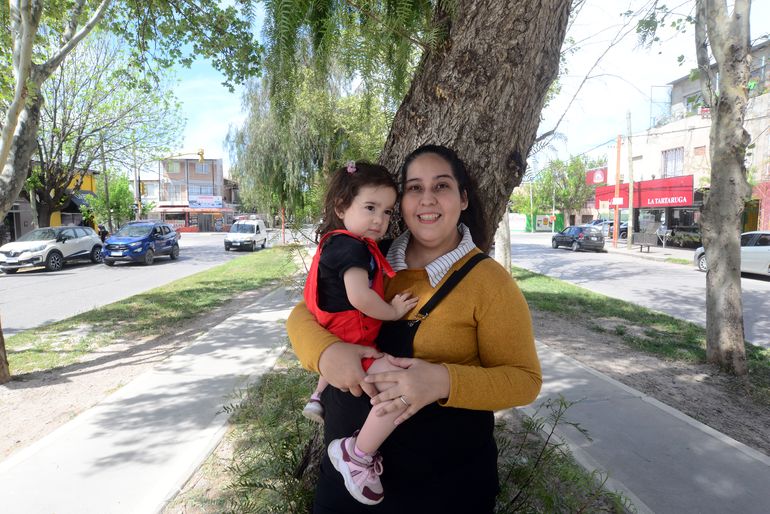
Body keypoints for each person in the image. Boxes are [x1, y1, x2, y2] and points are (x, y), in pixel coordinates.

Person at [287, 145, 542, 513]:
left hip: (442, 490)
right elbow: (302, 314)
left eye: (441, 186)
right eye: (413, 188)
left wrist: (442, 382)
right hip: (345, 486)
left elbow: (524, 380)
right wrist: (327, 354)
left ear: (463, 198)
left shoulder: (489, 282)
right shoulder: (368, 255)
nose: (427, 200)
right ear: (401, 201)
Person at [301, 160, 420, 505]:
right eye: (370, 208)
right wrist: (394, 311)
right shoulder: (352, 249)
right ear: (341, 207)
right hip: (354, 343)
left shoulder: (336, 244)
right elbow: (360, 297)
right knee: (404, 390)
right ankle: (357, 453)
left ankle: (318, 394)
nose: (380, 220)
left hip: (340, 337)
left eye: (386, 211)